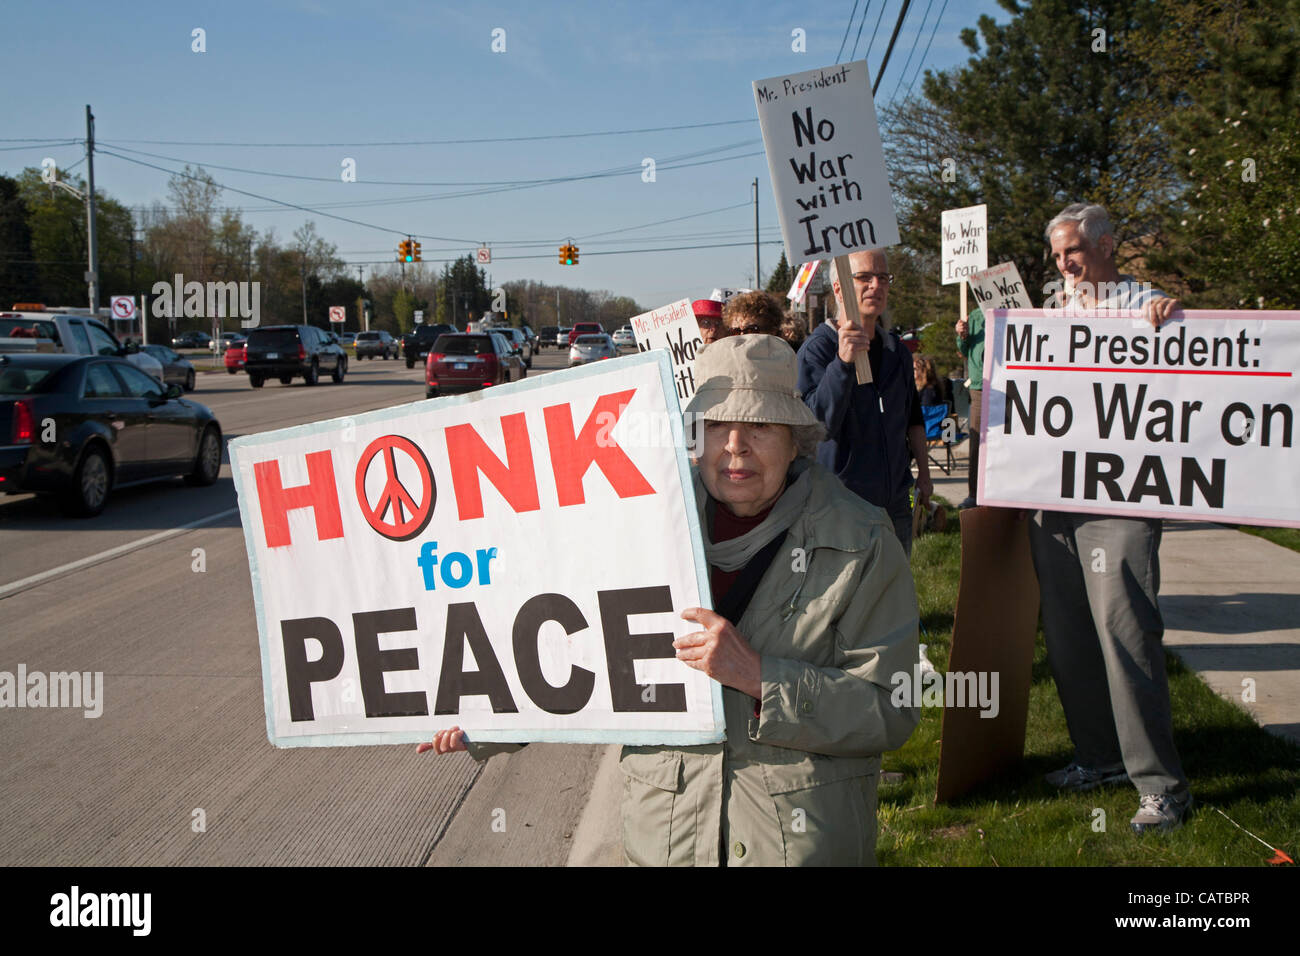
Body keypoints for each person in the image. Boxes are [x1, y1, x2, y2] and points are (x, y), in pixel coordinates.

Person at [421, 335, 920, 866]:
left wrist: (761, 679)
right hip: (668, 843)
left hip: (799, 846)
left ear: (796, 439)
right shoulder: (639, 527)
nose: (735, 445)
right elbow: (578, 663)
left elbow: (893, 705)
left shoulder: (860, 540)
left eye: (760, 426)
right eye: (715, 427)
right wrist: (483, 719)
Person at [1033, 202, 1190, 835]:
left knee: (1126, 635)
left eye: (1072, 251)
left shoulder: (1144, 304)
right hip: (1054, 498)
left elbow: (1200, 362)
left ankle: (1161, 787)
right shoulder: (1051, 312)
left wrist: (1177, 320)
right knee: (1069, 636)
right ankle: (1098, 759)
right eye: (1057, 256)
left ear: (1104, 247)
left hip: (1121, 501)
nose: (1064, 264)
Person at [796, 249, 933, 558]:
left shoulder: (895, 350)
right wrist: (842, 364)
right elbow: (817, 425)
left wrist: (923, 474)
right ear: (839, 287)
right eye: (865, 277)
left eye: (883, 277)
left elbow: (912, 418)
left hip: (896, 501)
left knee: (894, 593)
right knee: (850, 599)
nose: (877, 285)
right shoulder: (817, 350)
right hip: (842, 504)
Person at [955, 306, 984, 510]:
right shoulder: (974, 317)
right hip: (980, 386)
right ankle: (974, 494)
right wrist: (961, 336)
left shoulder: (1012, 309)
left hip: (1008, 384)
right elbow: (963, 352)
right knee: (977, 442)